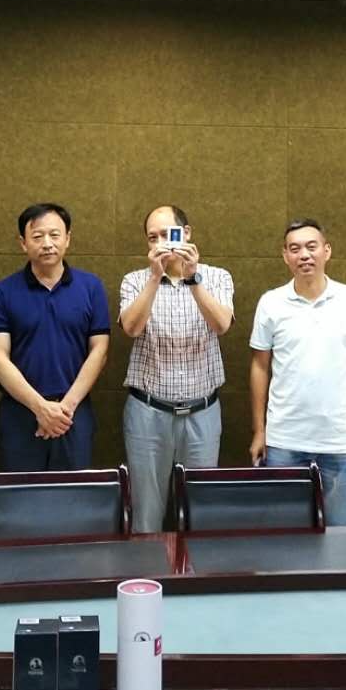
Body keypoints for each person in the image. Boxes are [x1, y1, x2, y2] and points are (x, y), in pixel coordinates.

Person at [248, 218, 346, 527]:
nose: (304, 255)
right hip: (283, 441)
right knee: (284, 535)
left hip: (338, 442)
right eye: (295, 249)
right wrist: (259, 430)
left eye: (311, 247)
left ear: (326, 251)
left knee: (338, 534)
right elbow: (259, 367)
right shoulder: (271, 303)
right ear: (285, 256)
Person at [119, 204, 234, 532]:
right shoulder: (134, 280)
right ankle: (147, 566)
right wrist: (155, 278)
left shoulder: (217, 276)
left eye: (166, 235)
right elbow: (131, 328)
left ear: (186, 234)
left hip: (202, 412)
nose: (160, 243)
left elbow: (222, 324)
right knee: (145, 514)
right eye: (152, 238)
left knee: (199, 511)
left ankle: (193, 567)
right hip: (148, 412)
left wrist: (193, 278)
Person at [0, 203, 110, 470]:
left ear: (68, 239)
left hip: (73, 412)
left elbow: (99, 351)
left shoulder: (91, 287)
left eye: (54, 235)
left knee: (73, 492)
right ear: (23, 243)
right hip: (20, 413)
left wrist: (64, 409)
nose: (47, 243)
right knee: (20, 493)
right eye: (38, 236)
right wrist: (40, 408)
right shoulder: (2, 292)